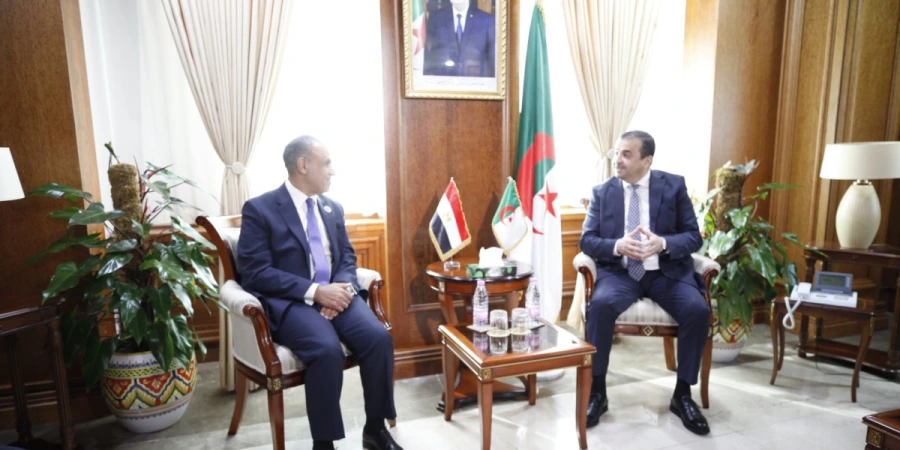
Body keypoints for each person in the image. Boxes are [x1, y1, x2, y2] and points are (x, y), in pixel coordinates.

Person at [238, 136, 403, 450]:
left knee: (379, 339)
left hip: (336, 295)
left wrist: (339, 289)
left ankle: (375, 430)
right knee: (327, 350)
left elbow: (347, 258)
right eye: (326, 163)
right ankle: (323, 443)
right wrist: (315, 292)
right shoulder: (260, 209)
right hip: (292, 303)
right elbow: (255, 272)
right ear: (303, 165)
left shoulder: (332, 207)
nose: (332, 171)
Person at [579, 130, 711, 436]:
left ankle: (682, 395)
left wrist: (663, 243)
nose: (618, 160)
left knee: (697, 310)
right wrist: (617, 246)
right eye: (617, 153)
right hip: (622, 274)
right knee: (600, 307)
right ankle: (598, 393)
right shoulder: (603, 192)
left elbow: (694, 236)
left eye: (626, 154)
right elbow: (587, 240)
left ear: (646, 160)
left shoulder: (673, 186)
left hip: (666, 274)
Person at [423, 0, 495, 77]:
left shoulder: (486, 20)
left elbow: (492, 59)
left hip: (476, 80)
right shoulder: (436, 19)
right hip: (443, 80)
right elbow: (429, 55)